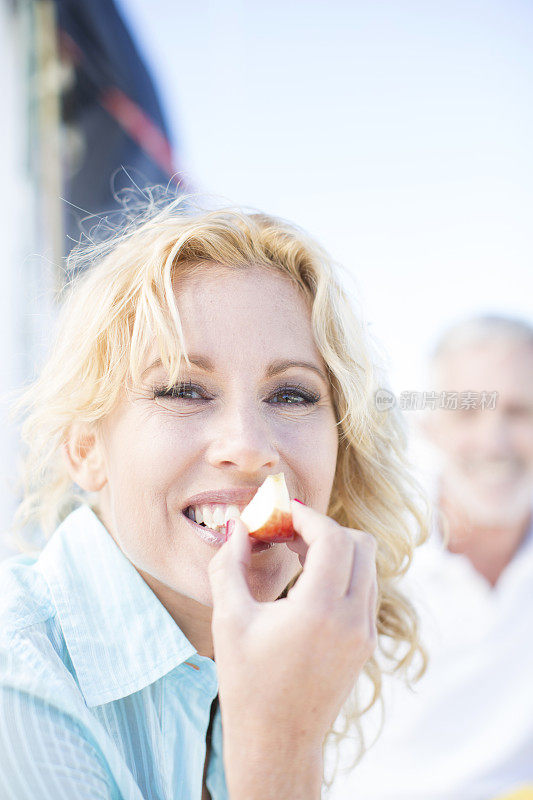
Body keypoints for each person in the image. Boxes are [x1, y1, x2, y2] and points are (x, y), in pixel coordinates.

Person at [0, 194, 428, 799]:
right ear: (86, 450)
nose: (249, 447)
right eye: (183, 389)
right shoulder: (16, 676)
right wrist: (282, 747)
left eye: (291, 396)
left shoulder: (281, 661)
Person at [327, 315, 533, 800]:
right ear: (430, 427)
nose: (494, 442)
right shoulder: (364, 551)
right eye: (467, 414)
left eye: (521, 411)